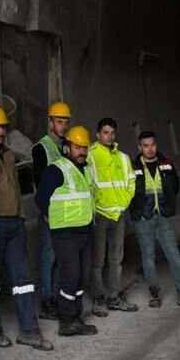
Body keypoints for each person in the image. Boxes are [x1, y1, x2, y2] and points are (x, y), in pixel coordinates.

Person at [0, 104, 53, 352]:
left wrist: (20, 216)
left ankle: (29, 330)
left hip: (15, 222)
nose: (1, 131)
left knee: (23, 279)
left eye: (3, 127)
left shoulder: (9, 154)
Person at [33, 124, 99, 337]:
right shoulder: (56, 169)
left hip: (84, 231)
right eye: (78, 147)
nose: (82, 152)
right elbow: (40, 199)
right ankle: (66, 321)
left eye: (85, 147)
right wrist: (53, 217)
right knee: (70, 277)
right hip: (65, 234)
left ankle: (76, 317)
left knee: (82, 278)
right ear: (67, 148)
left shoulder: (85, 170)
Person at [129, 131, 180, 308]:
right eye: (145, 146)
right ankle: (154, 293)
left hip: (164, 215)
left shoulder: (166, 164)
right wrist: (138, 211)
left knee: (174, 255)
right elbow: (128, 190)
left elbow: (175, 187)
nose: (150, 149)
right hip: (144, 217)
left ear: (156, 145)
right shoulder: (132, 167)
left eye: (152, 145)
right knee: (148, 256)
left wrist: (168, 205)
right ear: (139, 147)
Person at [88, 117, 138, 316]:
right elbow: (87, 184)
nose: (109, 136)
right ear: (98, 134)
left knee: (116, 259)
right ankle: (99, 298)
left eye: (112, 133)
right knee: (98, 261)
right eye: (105, 132)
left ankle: (115, 297)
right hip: (100, 215)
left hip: (118, 215)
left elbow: (131, 181)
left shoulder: (123, 158)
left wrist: (123, 203)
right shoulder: (91, 155)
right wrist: (96, 206)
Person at [32, 101, 72, 319]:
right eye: (59, 122)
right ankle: (46, 300)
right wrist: (46, 212)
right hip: (50, 212)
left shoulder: (68, 145)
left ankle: (55, 297)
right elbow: (39, 185)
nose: (63, 126)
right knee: (49, 257)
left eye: (65, 122)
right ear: (50, 123)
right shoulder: (41, 148)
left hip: (66, 212)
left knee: (60, 257)